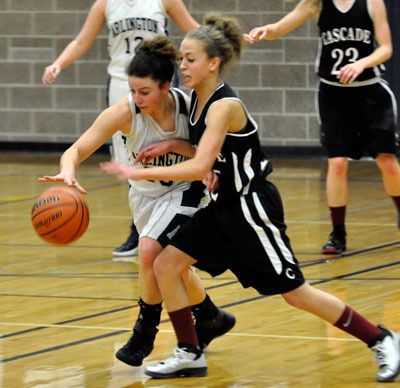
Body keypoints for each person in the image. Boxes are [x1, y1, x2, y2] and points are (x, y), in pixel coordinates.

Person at [101, 14, 400, 382]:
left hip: (252, 207)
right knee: (165, 265)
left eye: (190, 59)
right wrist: (172, 144)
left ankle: (381, 338)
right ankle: (190, 351)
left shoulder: (224, 105)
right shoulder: (195, 99)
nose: (183, 65)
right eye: (182, 58)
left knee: (295, 292)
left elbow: (200, 166)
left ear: (213, 63)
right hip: (222, 207)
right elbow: (207, 150)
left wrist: (134, 172)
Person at [39, 36, 235, 368]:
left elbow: (210, 154)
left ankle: (145, 332)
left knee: (148, 250)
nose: (136, 98)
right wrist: (68, 172)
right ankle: (209, 316)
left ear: (165, 86)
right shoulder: (124, 113)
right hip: (144, 198)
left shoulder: (191, 108)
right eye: (132, 90)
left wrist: (175, 144)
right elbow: (77, 149)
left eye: (144, 92)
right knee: (168, 265)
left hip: (185, 191)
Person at [42, 0, 199, 258]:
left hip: (157, 79)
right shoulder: (105, 3)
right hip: (121, 81)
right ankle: (140, 228)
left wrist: (223, 45)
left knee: (180, 147)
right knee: (128, 159)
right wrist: (59, 63)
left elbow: (195, 32)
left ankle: (169, 220)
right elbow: (81, 41)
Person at [246, 0, 400, 254]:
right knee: (337, 162)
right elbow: (282, 27)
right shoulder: (316, 3)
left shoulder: (372, 2)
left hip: (371, 92)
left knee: (387, 162)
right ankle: (337, 234)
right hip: (333, 94)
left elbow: (386, 48)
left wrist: (361, 63)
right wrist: (267, 30)